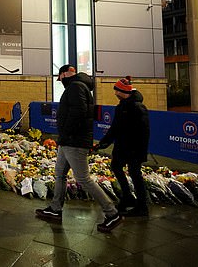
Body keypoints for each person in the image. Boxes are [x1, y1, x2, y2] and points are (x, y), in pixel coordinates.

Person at [35, 64, 123, 233]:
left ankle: (112, 213)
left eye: (60, 77)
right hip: (67, 141)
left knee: (83, 179)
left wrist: (67, 133)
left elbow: (79, 113)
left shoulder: (76, 87)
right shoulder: (78, 87)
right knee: (59, 173)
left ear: (65, 75)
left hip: (74, 142)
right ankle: (55, 209)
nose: (59, 81)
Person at [95, 76, 150, 217]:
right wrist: (102, 144)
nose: (115, 94)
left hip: (134, 149)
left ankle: (142, 206)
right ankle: (127, 197)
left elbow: (144, 132)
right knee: (116, 167)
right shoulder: (121, 107)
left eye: (116, 91)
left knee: (135, 174)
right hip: (122, 147)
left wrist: (139, 152)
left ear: (122, 91)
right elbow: (115, 128)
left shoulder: (138, 107)